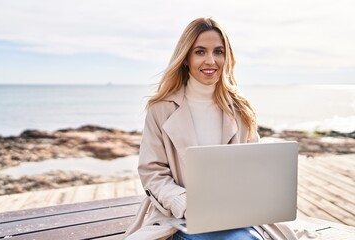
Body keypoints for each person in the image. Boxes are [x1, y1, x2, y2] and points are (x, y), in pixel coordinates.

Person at [125, 18, 296, 240]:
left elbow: (254, 167)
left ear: (227, 57)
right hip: (181, 218)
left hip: (238, 215)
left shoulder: (241, 109)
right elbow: (152, 172)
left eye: (218, 51)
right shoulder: (160, 109)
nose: (211, 61)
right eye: (200, 52)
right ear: (185, 58)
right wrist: (183, 202)